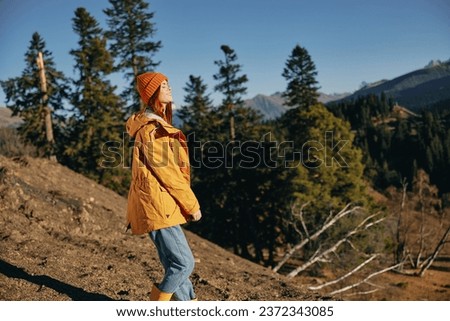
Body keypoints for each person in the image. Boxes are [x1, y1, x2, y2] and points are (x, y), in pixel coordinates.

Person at [126, 72, 202, 301]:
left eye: (169, 84)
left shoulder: (154, 124)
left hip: (158, 204)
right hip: (158, 206)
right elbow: (168, 173)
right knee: (183, 264)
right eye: (163, 86)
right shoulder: (153, 130)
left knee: (175, 264)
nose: (169, 89)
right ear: (153, 93)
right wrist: (191, 204)